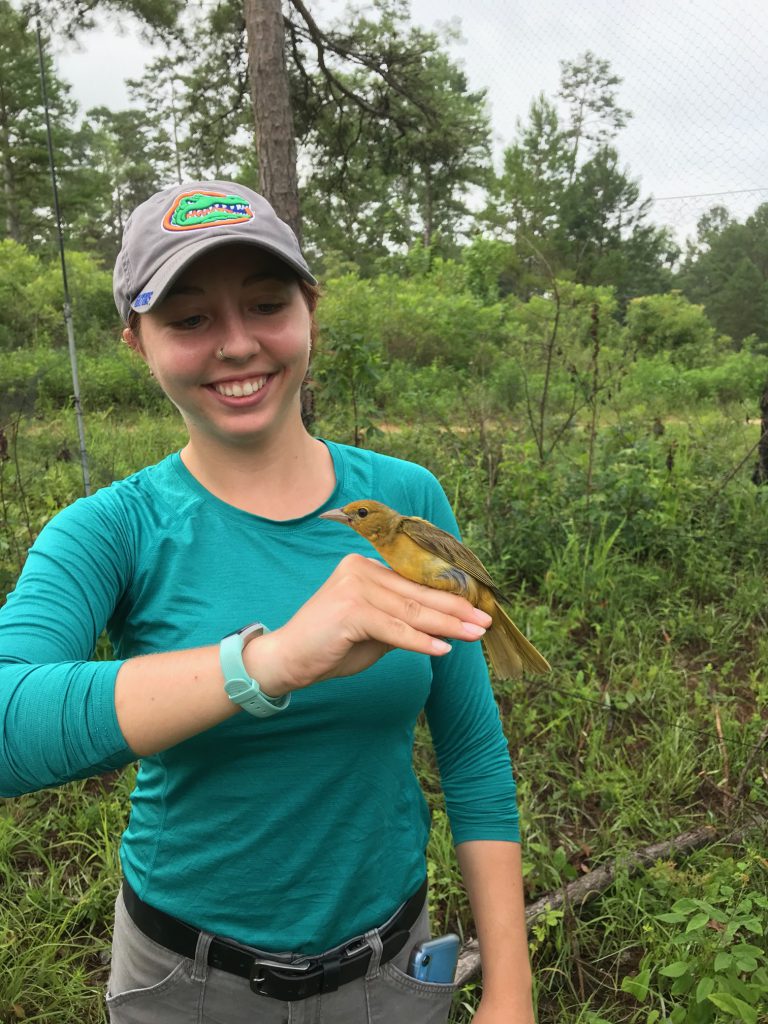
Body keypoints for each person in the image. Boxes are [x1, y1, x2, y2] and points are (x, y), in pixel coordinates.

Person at [0, 180, 535, 1024]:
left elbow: (471, 752)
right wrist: (270, 660)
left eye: (266, 304)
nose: (238, 344)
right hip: (186, 985)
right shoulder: (110, 528)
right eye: (189, 319)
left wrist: (510, 990)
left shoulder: (407, 496)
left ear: (310, 309)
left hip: (392, 976)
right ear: (136, 343)